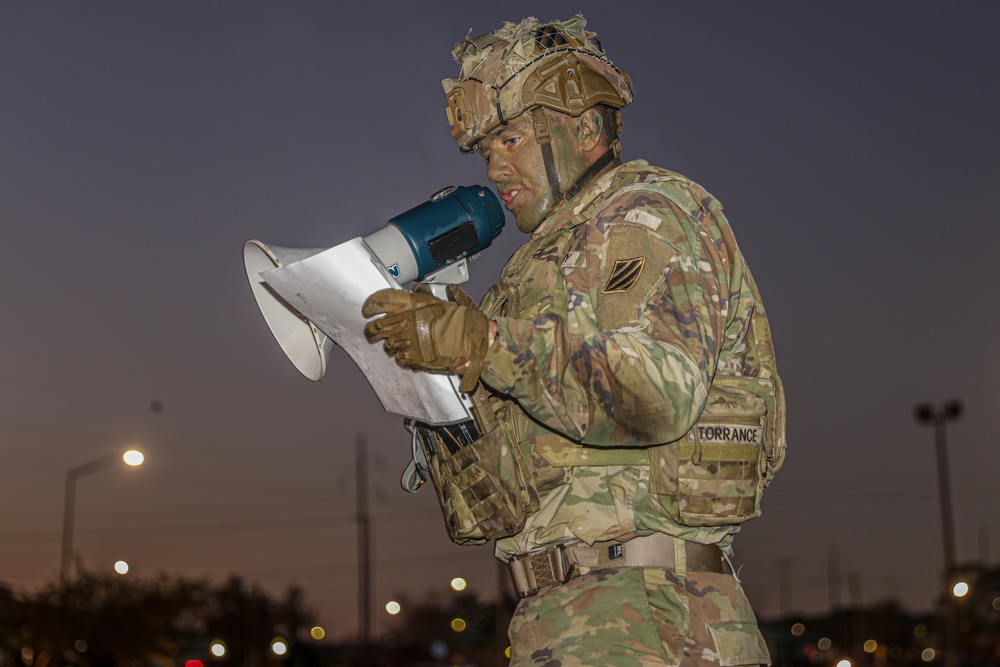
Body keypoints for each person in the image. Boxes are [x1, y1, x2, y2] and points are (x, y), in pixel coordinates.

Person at [363, 15, 785, 667]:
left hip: (652, 618)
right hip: (567, 623)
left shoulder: (648, 213)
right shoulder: (530, 277)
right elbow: (488, 513)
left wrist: (480, 344)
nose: (495, 165)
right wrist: (431, 379)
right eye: (485, 148)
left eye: (511, 137)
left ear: (585, 129)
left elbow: (650, 396)